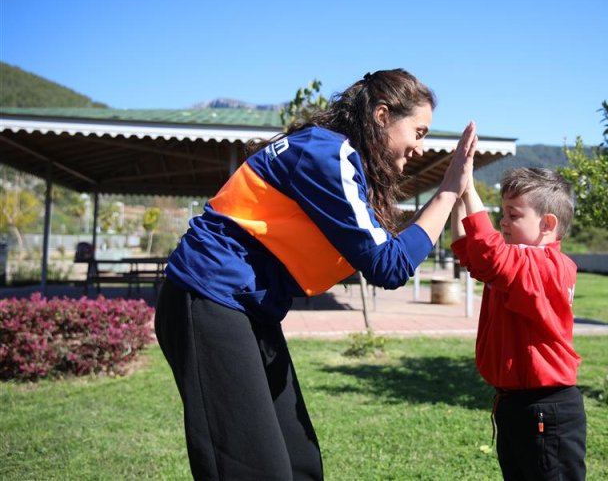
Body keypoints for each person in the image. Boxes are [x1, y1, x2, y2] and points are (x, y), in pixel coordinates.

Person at [154, 68, 476, 480]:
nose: (419, 146)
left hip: (249, 308)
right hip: (207, 298)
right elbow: (389, 265)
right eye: (419, 131)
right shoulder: (327, 154)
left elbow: (379, 251)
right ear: (382, 115)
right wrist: (449, 189)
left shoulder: (337, 158)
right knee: (252, 469)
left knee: (300, 463)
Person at [450, 167, 586, 481]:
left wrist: (469, 188)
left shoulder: (549, 266)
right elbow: (468, 250)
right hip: (516, 406)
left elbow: (490, 255)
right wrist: (457, 194)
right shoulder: (516, 265)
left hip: (545, 410)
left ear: (547, 224)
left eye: (513, 215)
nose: (503, 222)